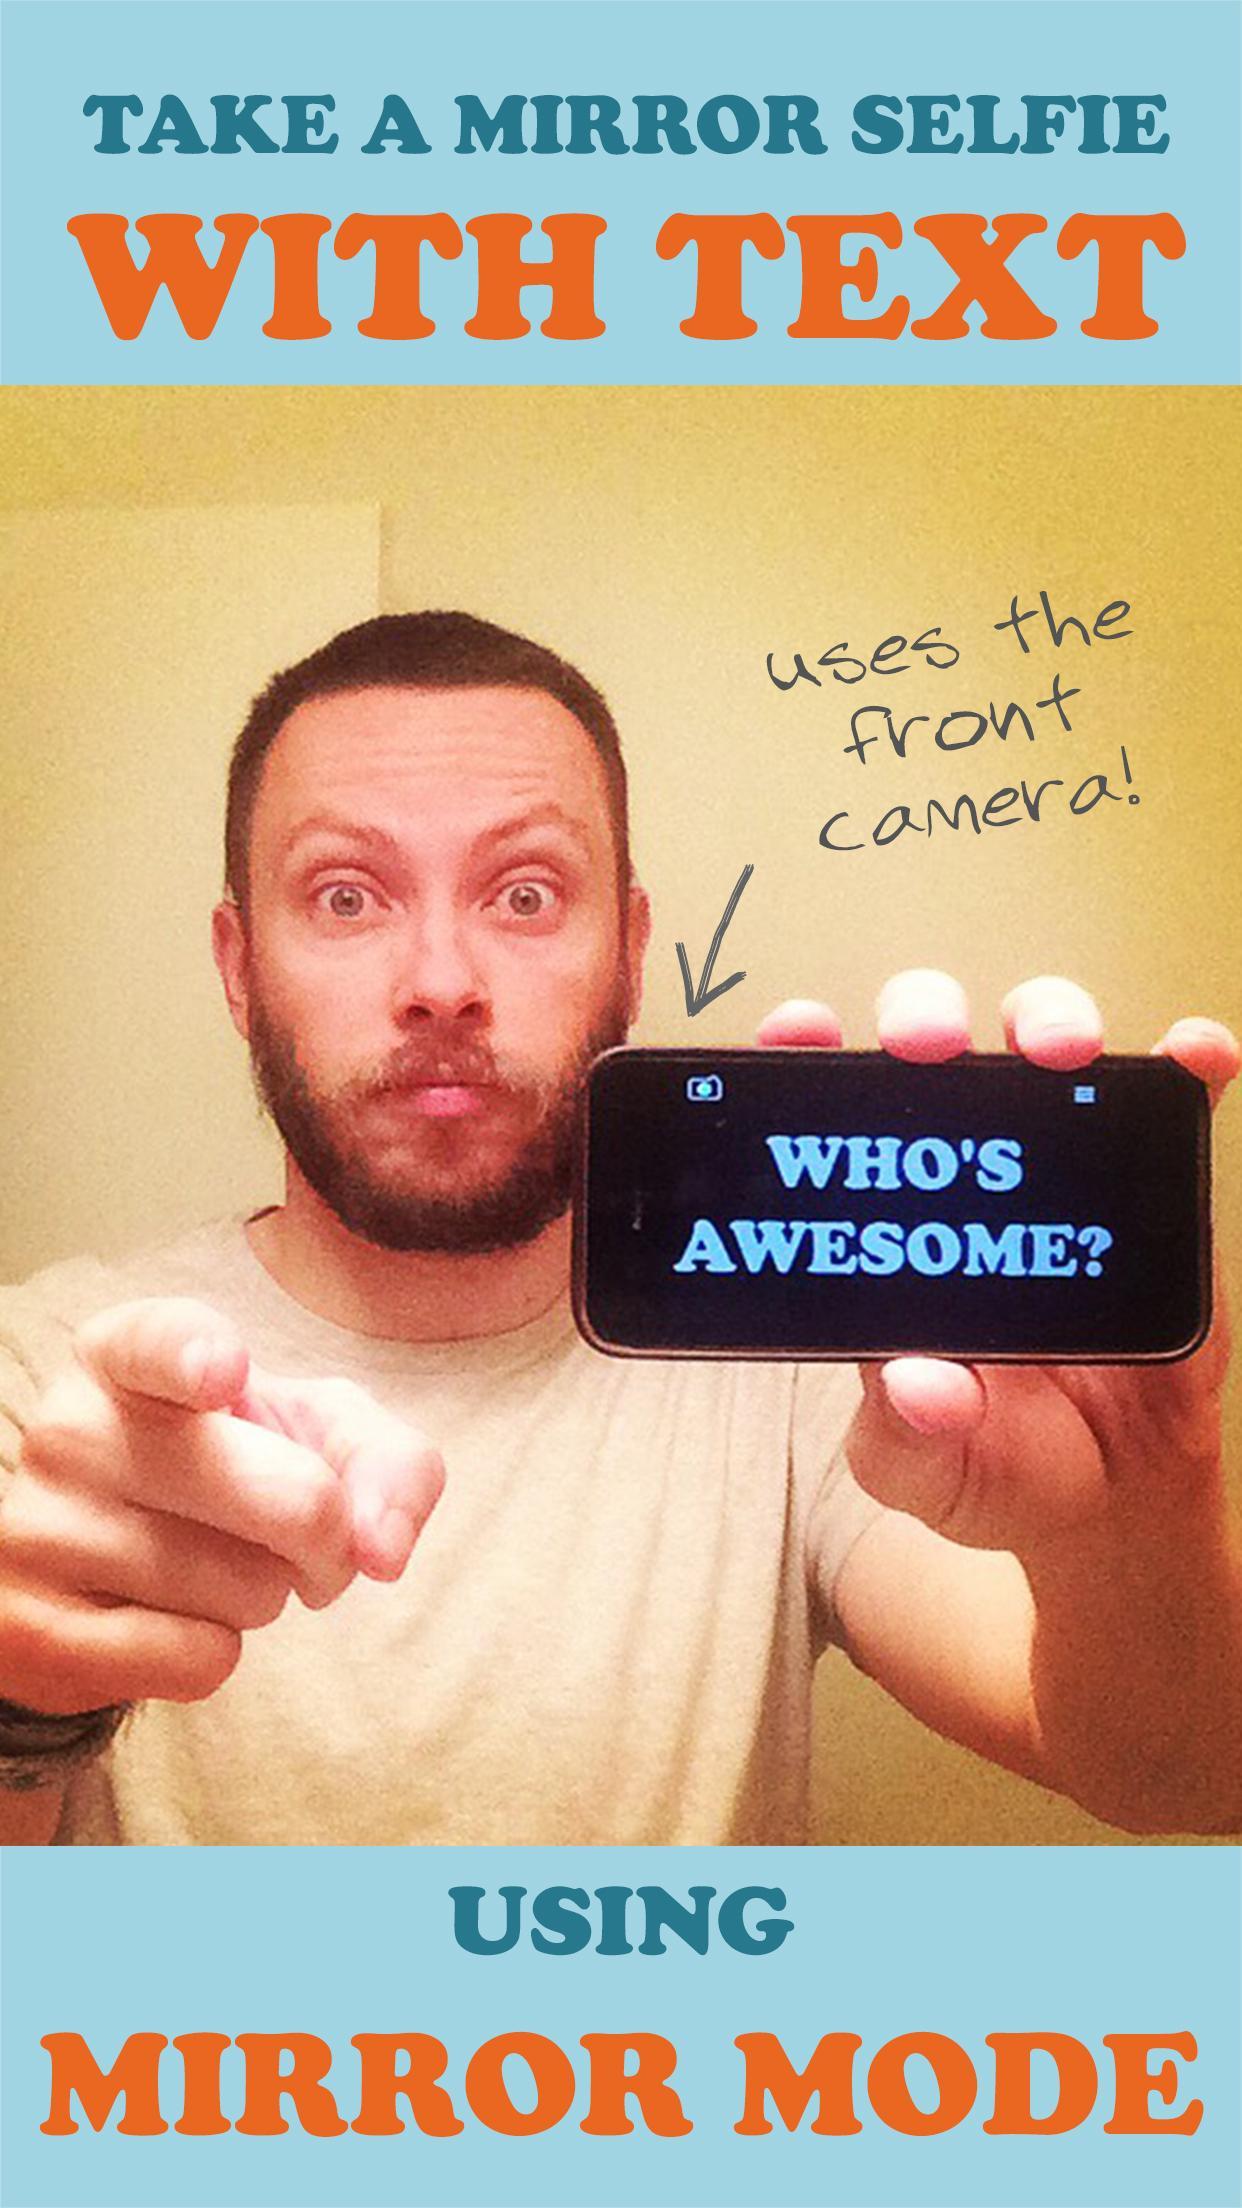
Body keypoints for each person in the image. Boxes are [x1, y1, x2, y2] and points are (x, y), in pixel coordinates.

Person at [0, 610, 1239, 1847]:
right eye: (346, 896)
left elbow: (1184, 1780)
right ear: (239, 968)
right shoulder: (41, 1379)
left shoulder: (793, 1368)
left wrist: (1142, 1516)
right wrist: (21, 1707)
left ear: (632, 956)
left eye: (525, 894)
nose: (442, 983)